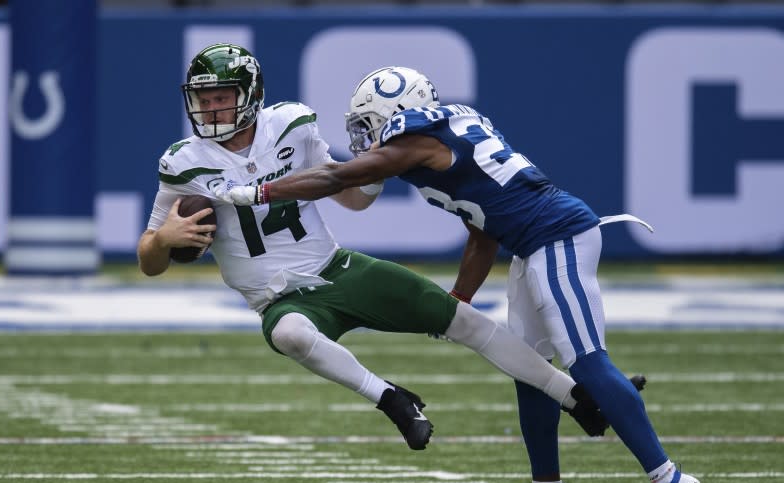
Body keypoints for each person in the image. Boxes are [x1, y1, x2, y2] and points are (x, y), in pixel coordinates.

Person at [219, 66, 703, 483]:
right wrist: (458, 300)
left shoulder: (415, 139)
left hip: (557, 237)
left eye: (369, 122)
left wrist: (260, 191)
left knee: (589, 363)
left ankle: (669, 481)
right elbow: (482, 230)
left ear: (397, 111)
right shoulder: (449, 131)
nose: (364, 135)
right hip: (530, 244)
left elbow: (341, 175)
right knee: (534, 370)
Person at [137, 45, 608, 456]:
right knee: (291, 337)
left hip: (338, 268)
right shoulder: (183, 164)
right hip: (280, 299)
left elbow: (354, 199)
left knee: (461, 317)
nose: (212, 108)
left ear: (251, 95)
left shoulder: (291, 125)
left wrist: (376, 166)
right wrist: (163, 240)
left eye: (222, 97)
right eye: (204, 98)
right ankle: (393, 400)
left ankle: (576, 398)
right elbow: (148, 260)